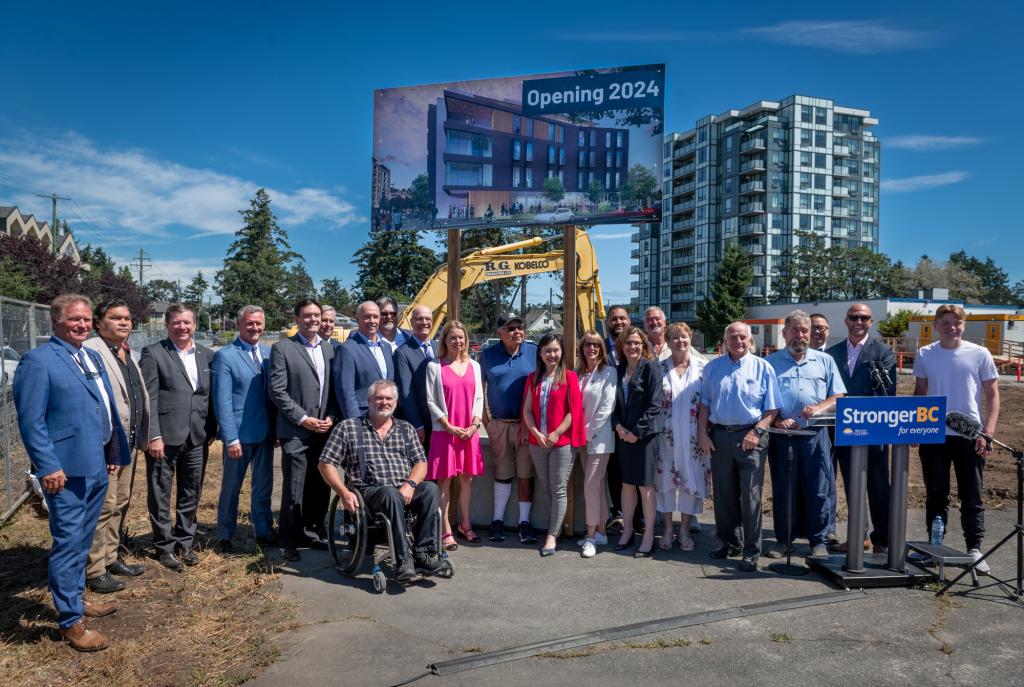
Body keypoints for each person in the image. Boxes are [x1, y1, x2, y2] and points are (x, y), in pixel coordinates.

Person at [14, 294, 130, 651]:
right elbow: (31, 420)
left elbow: (103, 407)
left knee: (83, 539)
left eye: (84, 320)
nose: (81, 325)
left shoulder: (91, 356)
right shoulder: (39, 361)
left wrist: (112, 449)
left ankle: (76, 599)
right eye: (72, 320)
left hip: (95, 462)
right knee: (68, 542)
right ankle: (69, 622)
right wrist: (48, 465)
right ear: (56, 323)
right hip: (64, 471)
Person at [317, 380, 445, 582]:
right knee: (389, 493)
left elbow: (421, 463)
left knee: (430, 489)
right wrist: (342, 491)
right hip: (368, 491)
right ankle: (403, 560)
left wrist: (410, 485)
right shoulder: (348, 427)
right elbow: (325, 464)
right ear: (369, 401)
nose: (384, 402)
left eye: (389, 398)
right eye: (379, 398)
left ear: (395, 402)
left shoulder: (405, 428)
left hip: (404, 488)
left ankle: (424, 554)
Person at [913, 304, 1000, 573]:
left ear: (963, 325)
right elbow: (920, 393)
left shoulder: (980, 353)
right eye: (946, 322)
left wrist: (988, 432)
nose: (952, 327)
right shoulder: (925, 354)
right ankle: (934, 546)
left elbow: (993, 396)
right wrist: (916, 427)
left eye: (957, 322)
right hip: (934, 435)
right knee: (936, 494)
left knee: (971, 495)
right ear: (936, 325)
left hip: (970, 436)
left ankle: (974, 549)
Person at [698, 322, 781, 572]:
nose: (738, 341)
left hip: (751, 438)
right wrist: (702, 434)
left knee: (751, 496)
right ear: (725, 341)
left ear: (750, 340)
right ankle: (728, 542)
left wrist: (757, 431)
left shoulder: (763, 367)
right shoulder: (713, 368)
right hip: (720, 437)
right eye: (733, 337)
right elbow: (704, 405)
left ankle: (751, 551)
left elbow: (772, 408)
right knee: (723, 495)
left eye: (743, 337)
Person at [140, 303, 216, 571]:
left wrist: (212, 431)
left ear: (195, 324)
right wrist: (153, 435)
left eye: (187, 322)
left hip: (197, 437)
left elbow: (209, 397)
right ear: (167, 325)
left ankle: (185, 541)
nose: (182, 327)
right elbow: (148, 397)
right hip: (165, 437)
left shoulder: (207, 355)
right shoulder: (154, 353)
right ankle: (164, 546)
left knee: (190, 491)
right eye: (176, 323)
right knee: (160, 492)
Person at [765, 311, 846, 559]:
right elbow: (763, 398)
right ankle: (784, 541)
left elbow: (838, 395)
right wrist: (779, 419)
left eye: (804, 331)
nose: (800, 335)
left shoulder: (824, 361)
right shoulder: (771, 362)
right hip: (783, 436)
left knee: (819, 489)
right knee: (784, 490)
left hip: (815, 436)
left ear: (810, 333)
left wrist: (819, 408)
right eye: (795, 330)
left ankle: (818, 541)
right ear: (785, 332)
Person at [83, 301, 150, 594]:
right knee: (103, 506)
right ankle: (94, 569)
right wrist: (108, 445)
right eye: (115, 318)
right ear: (99, 322)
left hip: (129, 442)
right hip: (108, 445)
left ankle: (111, 558)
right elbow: (95, 404)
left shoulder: (127, 353)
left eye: (127, 318)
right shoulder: (91, 352)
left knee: (121, 502)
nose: (124, 322)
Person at [269, 298, 336, 561]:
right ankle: (288, 539)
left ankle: (313, 532)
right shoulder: (282, 348)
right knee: (294, 488)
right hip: (296, 430)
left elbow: (333, 388)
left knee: (320, 485)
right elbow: (277, 391)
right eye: (307, 316)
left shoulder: (329, 349)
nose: (313, 320)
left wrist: (331, 415)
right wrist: (303, 418)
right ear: (297, 319)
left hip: (324, 430)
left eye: (317, 315)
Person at [826, 303, 895, 554]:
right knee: (852, 485)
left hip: (874, 430)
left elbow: (887, 392)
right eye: (854, 317)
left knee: (878, 487)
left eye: (864, 318)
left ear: (871, 322)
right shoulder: (832, 353)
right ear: (846, 321)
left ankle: (883, 540)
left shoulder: (883, 352)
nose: (859, 322)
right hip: (844, 430)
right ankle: (859, 536)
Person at [211, 305, 276, 555]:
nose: (254, 328)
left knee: (263, 486)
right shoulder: (226, 356)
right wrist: (230, 437)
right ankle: (225, 535)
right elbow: (222, 400)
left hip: (265, 434)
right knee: (231, 488)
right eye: (249, 323)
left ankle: (263, 529)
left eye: (258, 323)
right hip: (239, 435)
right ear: (239, 324)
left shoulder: (269, 353)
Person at [523, 333, 586, 555]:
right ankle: (555, 529)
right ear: (540, 353)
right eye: (547, 350)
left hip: (562, 443)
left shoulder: (569, 377)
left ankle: (552, 535)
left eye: (556, 350)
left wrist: (557, 432)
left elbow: (574, 411)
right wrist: (536, 433)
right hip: (537, 441)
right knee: (547, 488)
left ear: (562, 352)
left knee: (558, 489)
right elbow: (527, 410)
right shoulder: (533, 378)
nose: (552, 354)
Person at [425, 320, 484, 551]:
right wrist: (447, 426)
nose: (457, 341)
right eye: (453, 338)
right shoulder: (434, 367)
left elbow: (479, 398)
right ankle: (445, 528)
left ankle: (465, 524)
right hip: (445, 432)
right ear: (445, 341)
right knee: (444, 481)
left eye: (461, 337)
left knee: (467, 480)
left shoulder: (474, 366)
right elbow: (431, 401)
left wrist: (475, 424)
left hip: (469, 432)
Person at [480, 312, 538, 544]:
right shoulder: (487, 355)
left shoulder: (534, 353)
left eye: (519, 327)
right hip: (500, 425)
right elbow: (478, 390)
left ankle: (524, 522)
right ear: (500, 333)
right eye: (510, 328)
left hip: (527, 426)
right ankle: (497, 521)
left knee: (525, 474)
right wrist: (487, 424)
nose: (516, 332)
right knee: (502, 474)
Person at [612, 327, 664, 558]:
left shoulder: (651, 367)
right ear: (622, 346)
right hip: (623, 436)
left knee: (645, 486)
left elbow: (655, 404)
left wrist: (636, 431)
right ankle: (628, 530)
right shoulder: (619, 369)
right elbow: (613, 404)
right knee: (626, 485)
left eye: (637, 343)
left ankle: (649, 534)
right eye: (628, 343)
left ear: (644, 345)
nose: (632, 347)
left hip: (645, 437)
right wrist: (618, 427)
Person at [656, 322, 708, 551]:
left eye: (684, 336)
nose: (680, 341)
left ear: (691, 338)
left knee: (691, 481)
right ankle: (668, 528)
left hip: (694, 437)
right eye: (675, 338)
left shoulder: (704, 368)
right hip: (665, 437)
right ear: (667, 342)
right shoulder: (658, 369)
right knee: (664, 482)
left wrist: (705, 432)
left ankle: (685, 529)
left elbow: (708, 403)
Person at [576, 331, 617, 558]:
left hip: (599, 440)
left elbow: (606, 409)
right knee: (597, 487)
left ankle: (590, 537)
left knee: (590, 487)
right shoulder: (578, 373)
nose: (591, 349)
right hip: (581, 440)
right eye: (587, 345)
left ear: (601, 348)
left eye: (595, 345)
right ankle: (601, 531)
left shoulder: (609, 373)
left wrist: (587, 433)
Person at [335, 301, 395, 419]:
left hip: (386, 416)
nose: (372, 321)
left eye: (375, 317)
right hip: (362, 417)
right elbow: (346, 391)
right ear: (358, 319)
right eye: (367, 317)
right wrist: (355, 423)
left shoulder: (386, 347)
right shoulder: (347, 349)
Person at [603, 305, 632, 530]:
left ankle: (637, 517)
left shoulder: (638, 346)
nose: (619, 322)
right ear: (607, 322)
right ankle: (618, 514)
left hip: (634, 423)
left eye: (623, 318)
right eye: (614, 319)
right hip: (609, 423)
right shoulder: (598, 348)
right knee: (613, 471)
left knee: (634, 472)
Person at [394, 305, 436, 447]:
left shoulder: (440, 348)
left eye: (427, 319)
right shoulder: (402, 353)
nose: (424, 322)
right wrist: (417, 425)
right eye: (419, 319)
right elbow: (406, 393)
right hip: (422, 423)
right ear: (411, 323)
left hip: (443, 422)